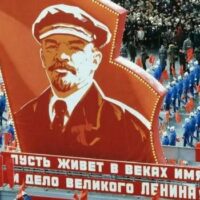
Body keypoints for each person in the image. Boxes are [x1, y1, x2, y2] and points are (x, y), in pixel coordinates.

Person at [14, 4, 158, 163]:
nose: (61, 56)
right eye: (52, 46)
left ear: (95, 60)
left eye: (74, 47)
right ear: (42, 57)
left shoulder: (128, 127)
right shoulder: (24, 117)